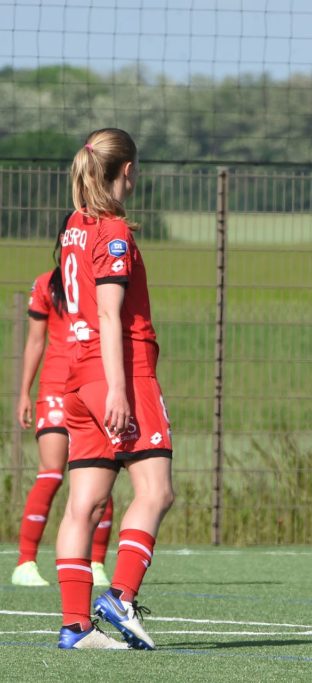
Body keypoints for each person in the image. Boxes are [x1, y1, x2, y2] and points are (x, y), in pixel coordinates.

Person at [53, 128, 175, 650]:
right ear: (128, 170)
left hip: (76, 375)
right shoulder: (113, 230)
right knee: (156, 491)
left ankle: (75, 626)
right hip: (118, 373)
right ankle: (121, 596)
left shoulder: (73, 227)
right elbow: (109, 313)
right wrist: (120, 391)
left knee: (84, 504)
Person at [11, 267, 114, 588]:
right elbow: (35, 341)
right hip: (55, 387)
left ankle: (96, 563)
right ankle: (25, 563)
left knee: (102, 472)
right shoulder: (46, 283)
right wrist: (24, 392)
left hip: (92, 383)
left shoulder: (103, 280)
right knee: (51, 473)